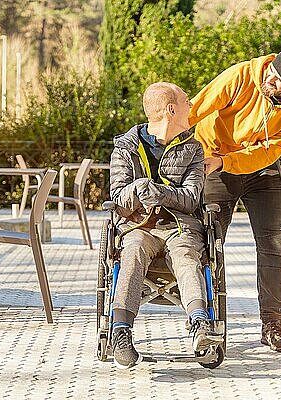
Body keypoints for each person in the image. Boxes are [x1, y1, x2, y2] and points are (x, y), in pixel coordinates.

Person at [188, 39, 281, 353]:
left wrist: (230, 161)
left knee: (273, 241)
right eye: (272, 71)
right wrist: (160, 143)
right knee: (209, 241)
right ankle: (206, 319)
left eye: (278, 81)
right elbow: (196, 109)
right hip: (214, 163)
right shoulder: (242, 75)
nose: (269, 80)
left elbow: (269, 150)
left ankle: (272, 323)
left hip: (260, 170)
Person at [109, 82, 223, 369]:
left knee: (186, 257)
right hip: (139, 226)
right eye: (186, 101)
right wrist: (138, 189)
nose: (191, 106)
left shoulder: (194, 149)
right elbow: (117, 197)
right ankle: (121, 333)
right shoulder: (126, 149)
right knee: (132, 252)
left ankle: (200, 325)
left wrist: (159, 193)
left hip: (181, 227)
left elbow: (191, 198)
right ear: (172, 110)